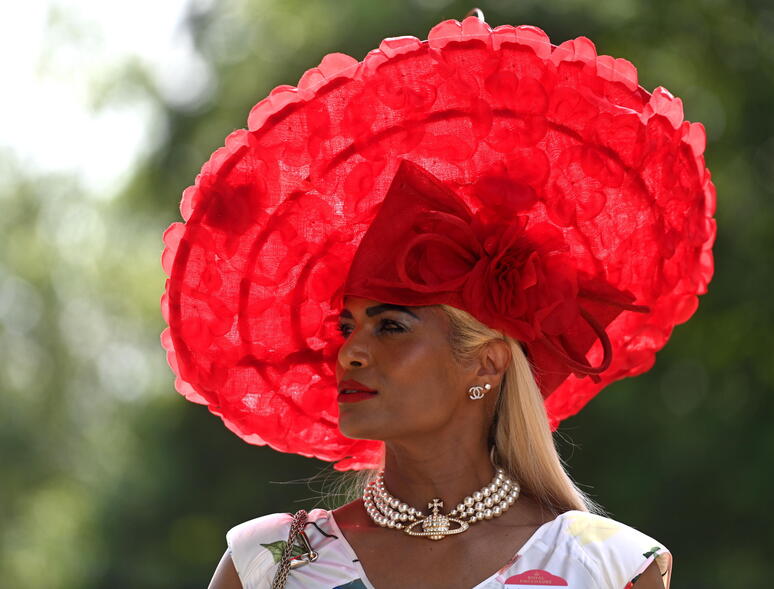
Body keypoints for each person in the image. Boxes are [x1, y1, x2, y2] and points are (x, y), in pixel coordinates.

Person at [161, 12, 715, 589]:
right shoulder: (269, 564)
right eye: (346, 325)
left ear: (486, 361)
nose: (349, 351)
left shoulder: (610, 568)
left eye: (391, 326)